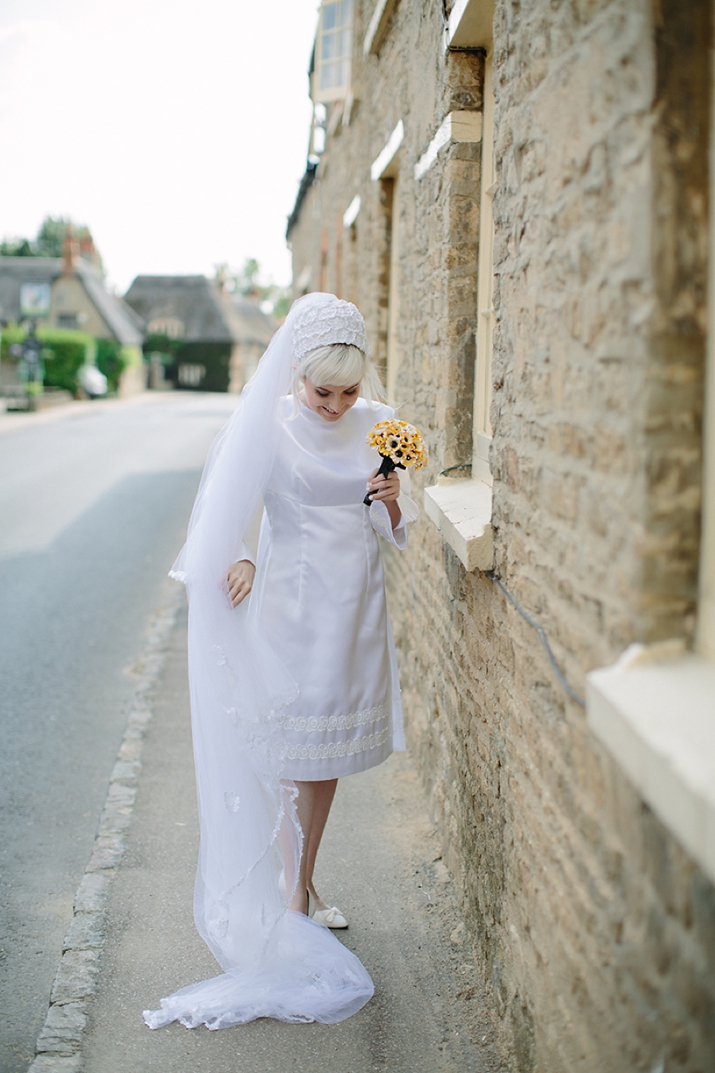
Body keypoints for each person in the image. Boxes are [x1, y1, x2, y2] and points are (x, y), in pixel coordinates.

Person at [144, 293, 417, 1031]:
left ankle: (297, 884)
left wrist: (391, 499)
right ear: (296, 376)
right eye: (320, 391)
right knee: (285, 748)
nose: (335, 405)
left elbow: (400, 532)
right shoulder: (265, 421)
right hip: (288, 602)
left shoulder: (386, 424)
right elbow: (220, 510)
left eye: (347, 391)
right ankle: (295, 893)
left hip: (352, 607)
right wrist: (236, 556)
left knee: (319, 757)